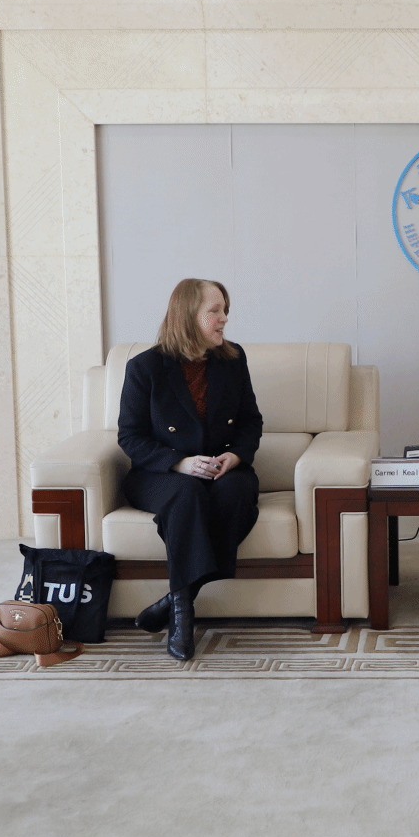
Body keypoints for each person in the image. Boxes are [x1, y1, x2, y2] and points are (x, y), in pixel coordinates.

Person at [117, 279, 263, 662]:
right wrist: (180, 463)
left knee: (236, 491)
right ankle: (183, 617)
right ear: (188, 316)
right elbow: (130, 437)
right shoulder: (144, 367)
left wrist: (235, 457)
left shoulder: (233, 359)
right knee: (187, 493)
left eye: (225, 310)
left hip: (221, 467)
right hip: (159, 473)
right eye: (215, 311)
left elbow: (250, 422)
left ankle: (172, 602)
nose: (224, 319)